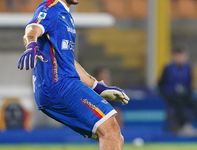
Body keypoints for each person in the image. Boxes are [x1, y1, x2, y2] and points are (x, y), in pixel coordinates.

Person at [17, 0, 130, 149]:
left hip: (56, 89)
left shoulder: (66, 16)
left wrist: (98, 88)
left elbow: (68, 62)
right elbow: (32, 28)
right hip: (60, 86)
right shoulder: (50, 7)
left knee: (115, 136)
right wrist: (31, 44)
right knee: (110, 130)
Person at [158, 44, 197, 136]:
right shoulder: (168, 68)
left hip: (185, 94)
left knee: (193, 103)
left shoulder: (188, 68)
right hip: (172, 95)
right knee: (179, 104)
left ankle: (190, 124)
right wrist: (165, 95)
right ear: (174, 56)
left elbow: (189, 83)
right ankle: (182, 126)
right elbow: (160, 84)